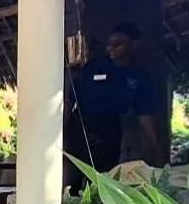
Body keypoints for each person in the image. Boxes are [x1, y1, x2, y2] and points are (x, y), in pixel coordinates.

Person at [65, 23, 162, 177]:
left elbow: (145, 117)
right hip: (80, 126)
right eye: (109, 45)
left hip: (110, 131)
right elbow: (69, 100)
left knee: (104, 177)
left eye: (118, 45)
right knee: (72, 177)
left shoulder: (139, 77)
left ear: (133, 45)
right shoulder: (93, 67)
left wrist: (155, 150)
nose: (111, 49)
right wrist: (62, 129)